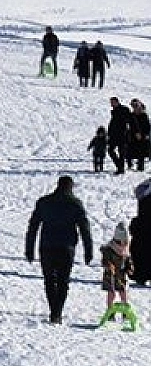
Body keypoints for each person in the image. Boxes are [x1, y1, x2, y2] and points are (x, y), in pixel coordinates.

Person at [24, 176, 93, 324]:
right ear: (71, 187)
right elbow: (84, 228)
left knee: (49, 280)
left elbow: (33, 226)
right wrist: (88, 250)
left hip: (47, 246)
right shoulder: (75, 204)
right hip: (66, 247)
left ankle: (53, 311)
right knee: (63, 281)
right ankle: (57, 313)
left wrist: (29, 248)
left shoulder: (44, 202)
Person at [100, 224, 134, 310]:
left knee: (123, 293)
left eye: (125, 243)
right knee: (112, 294)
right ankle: (110, 310)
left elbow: (128, 261)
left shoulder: (125, 251)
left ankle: (125, 311)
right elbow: (105, 261)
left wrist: (129, 268)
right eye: (120, 243)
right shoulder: (109, 250)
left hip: (121, 275)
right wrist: (109, 265)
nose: (122, 246)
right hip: (110, 275)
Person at [105, 97, 132, 174]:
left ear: (117, 102)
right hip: (114, 135)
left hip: (122, 134)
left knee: (121, 152)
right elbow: (112, 123)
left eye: (113, 102)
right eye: (111, 103)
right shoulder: (114, 111)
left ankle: (121, 168)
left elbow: (129, 120)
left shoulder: (124, 109)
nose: (111, 104)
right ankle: (119, 166)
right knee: (110, 150)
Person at [127, 99, 151, 172]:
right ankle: (130, 164)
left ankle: (140, 167)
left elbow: (148, 126)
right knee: (130, 150)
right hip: (133, 136)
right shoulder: (131, 115)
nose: (135, 108)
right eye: (133, 106)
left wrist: (145, 134)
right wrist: (135, 133)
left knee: (141, 151)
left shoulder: (144, 115)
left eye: (136, 106)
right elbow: (130, 125)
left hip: (142, 136)